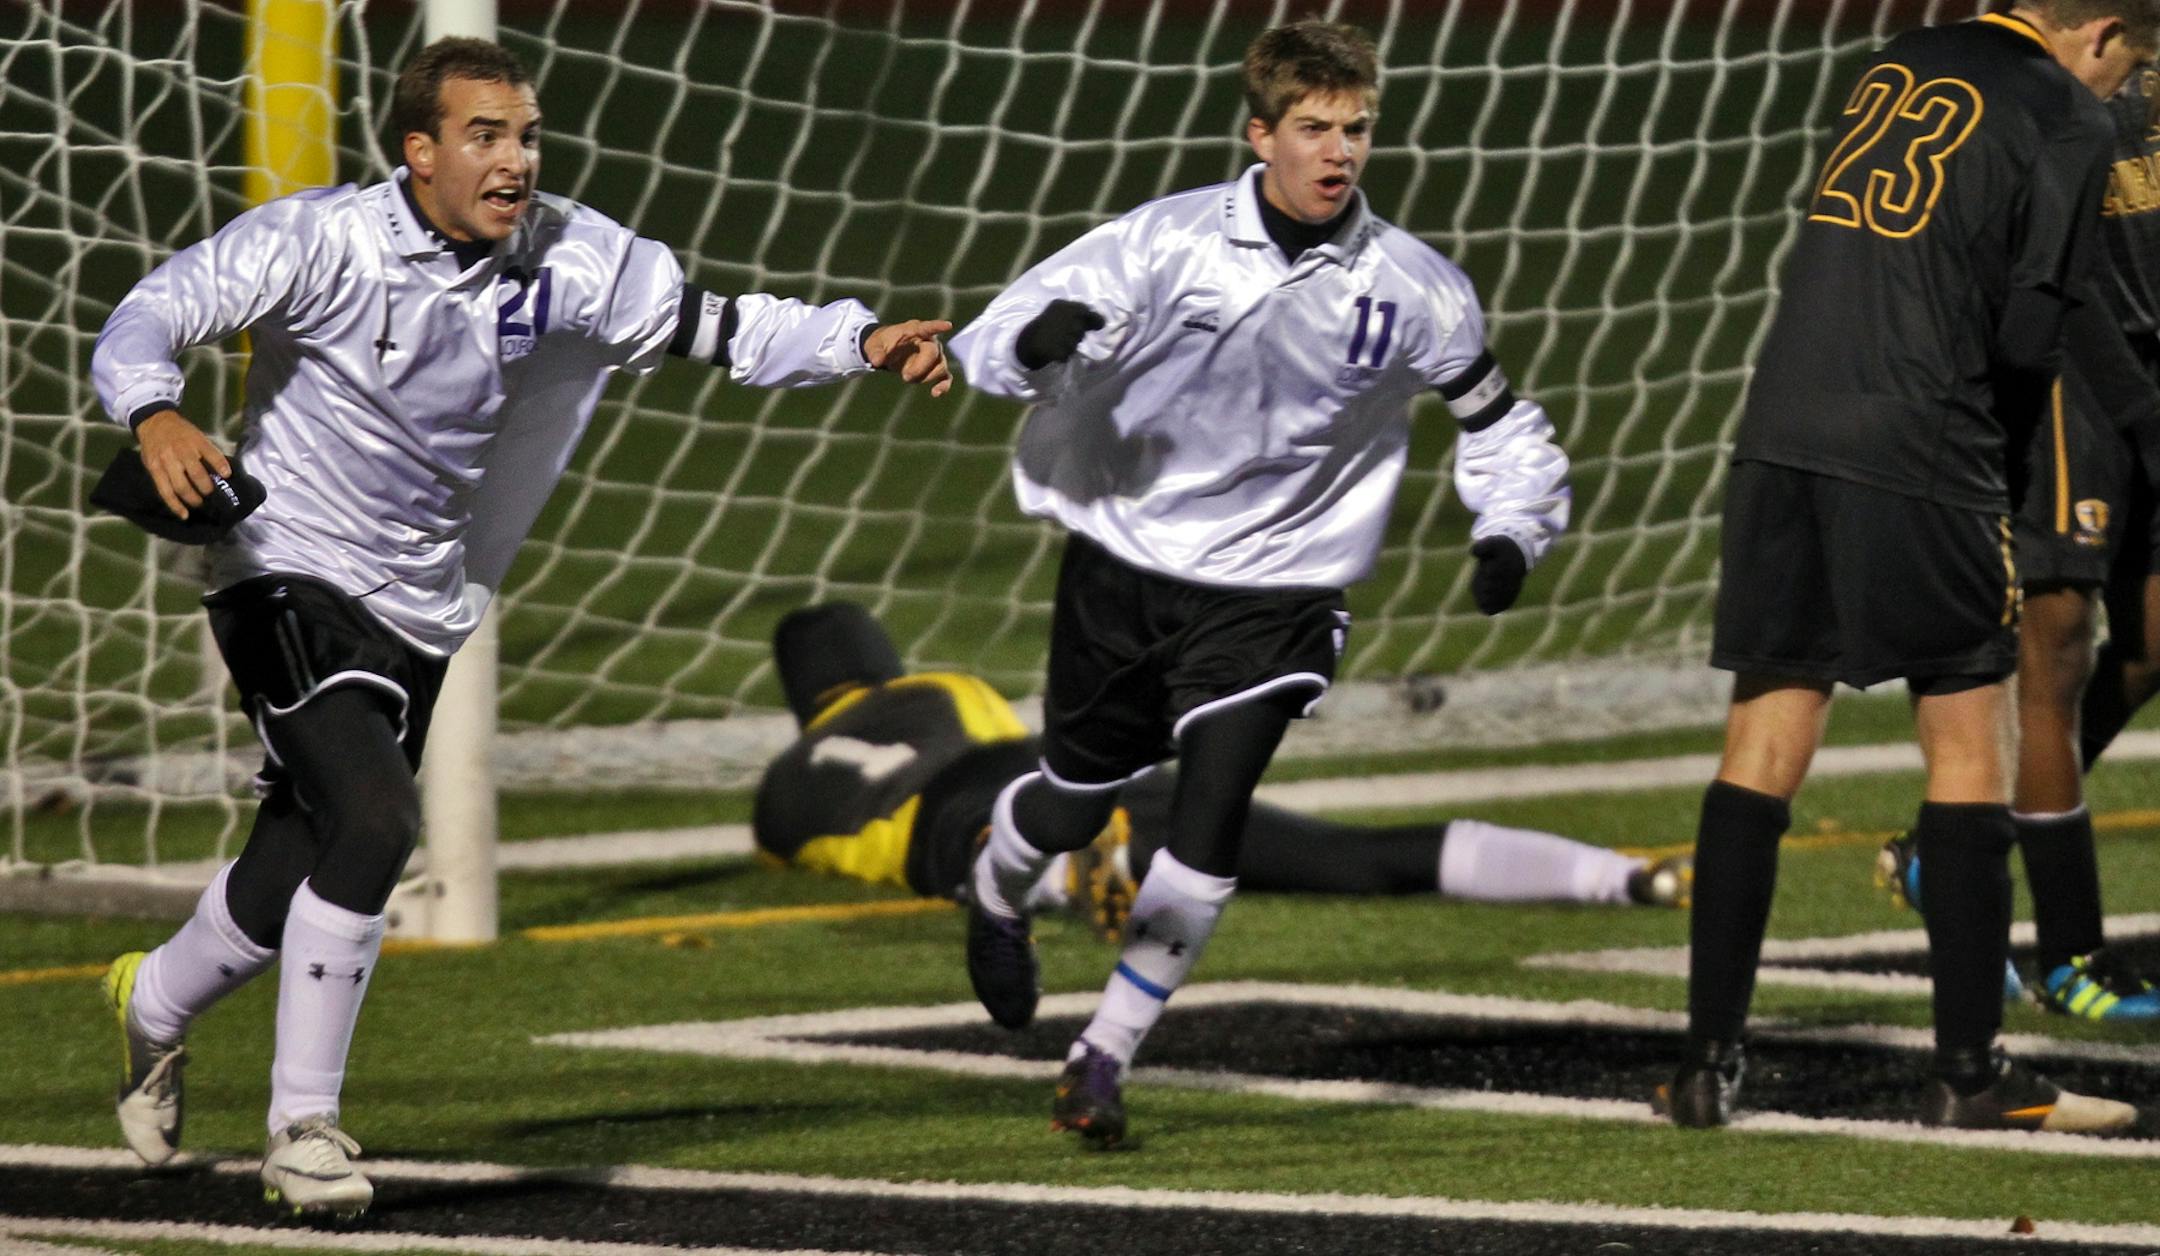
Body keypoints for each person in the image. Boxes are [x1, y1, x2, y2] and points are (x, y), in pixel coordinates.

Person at [89, 37, 951, 1217]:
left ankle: (154, 1004)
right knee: (383, 819)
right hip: (280, 566)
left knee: (300, 850)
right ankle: (304, 1129)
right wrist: (156, 416)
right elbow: (150, 313)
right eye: (486, 136)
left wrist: (860, 339)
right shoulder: (321, 240)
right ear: (420, 150)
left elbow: (728, 327)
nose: (516, 160)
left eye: (528, 135)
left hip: (422, 595)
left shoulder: (572, 255)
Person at [945, 20, 1571, 1146]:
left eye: (1357, 129)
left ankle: (1103, 1056)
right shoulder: (1159, 244)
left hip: (1283, 585)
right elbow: (991, 347)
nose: (1339, 152)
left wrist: (1513, 527)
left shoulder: (1417, 288)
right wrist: (1039, 341)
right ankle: (995, 887)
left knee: (1213, 803)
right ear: (1262, 133)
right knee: (1077, 798)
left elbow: (1501, 423)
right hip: (1130, 564)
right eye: (1315, 128)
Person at [1667, 1, 2158, 1135]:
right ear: (2100, 34)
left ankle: (1705, 1066)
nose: (2122, 92)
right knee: (1970, 728)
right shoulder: (2064, 115)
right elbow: (2035, 330)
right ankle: (1970, 1073)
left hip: (1781, 422)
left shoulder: (1900, 58)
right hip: (1923, 435)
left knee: (1765, 732)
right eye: (2129, 65)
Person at [754, 603, 1690, 929]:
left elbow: (801, 848)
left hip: (949, 828)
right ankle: (1621, 877)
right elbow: (1002, 739)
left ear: (803, 703)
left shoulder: (779, 794)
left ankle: (1067, 877)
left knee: (980, 857)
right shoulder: (935, 689)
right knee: (1355, 860)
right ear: (879, 662)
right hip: (1068, 777)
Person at [1882, 64, 2160, 1019]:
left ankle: (1955, 844)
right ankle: (2072, 957)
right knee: (2058, 650)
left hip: (2148, 366)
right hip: (2068, 373)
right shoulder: (2063, 82)